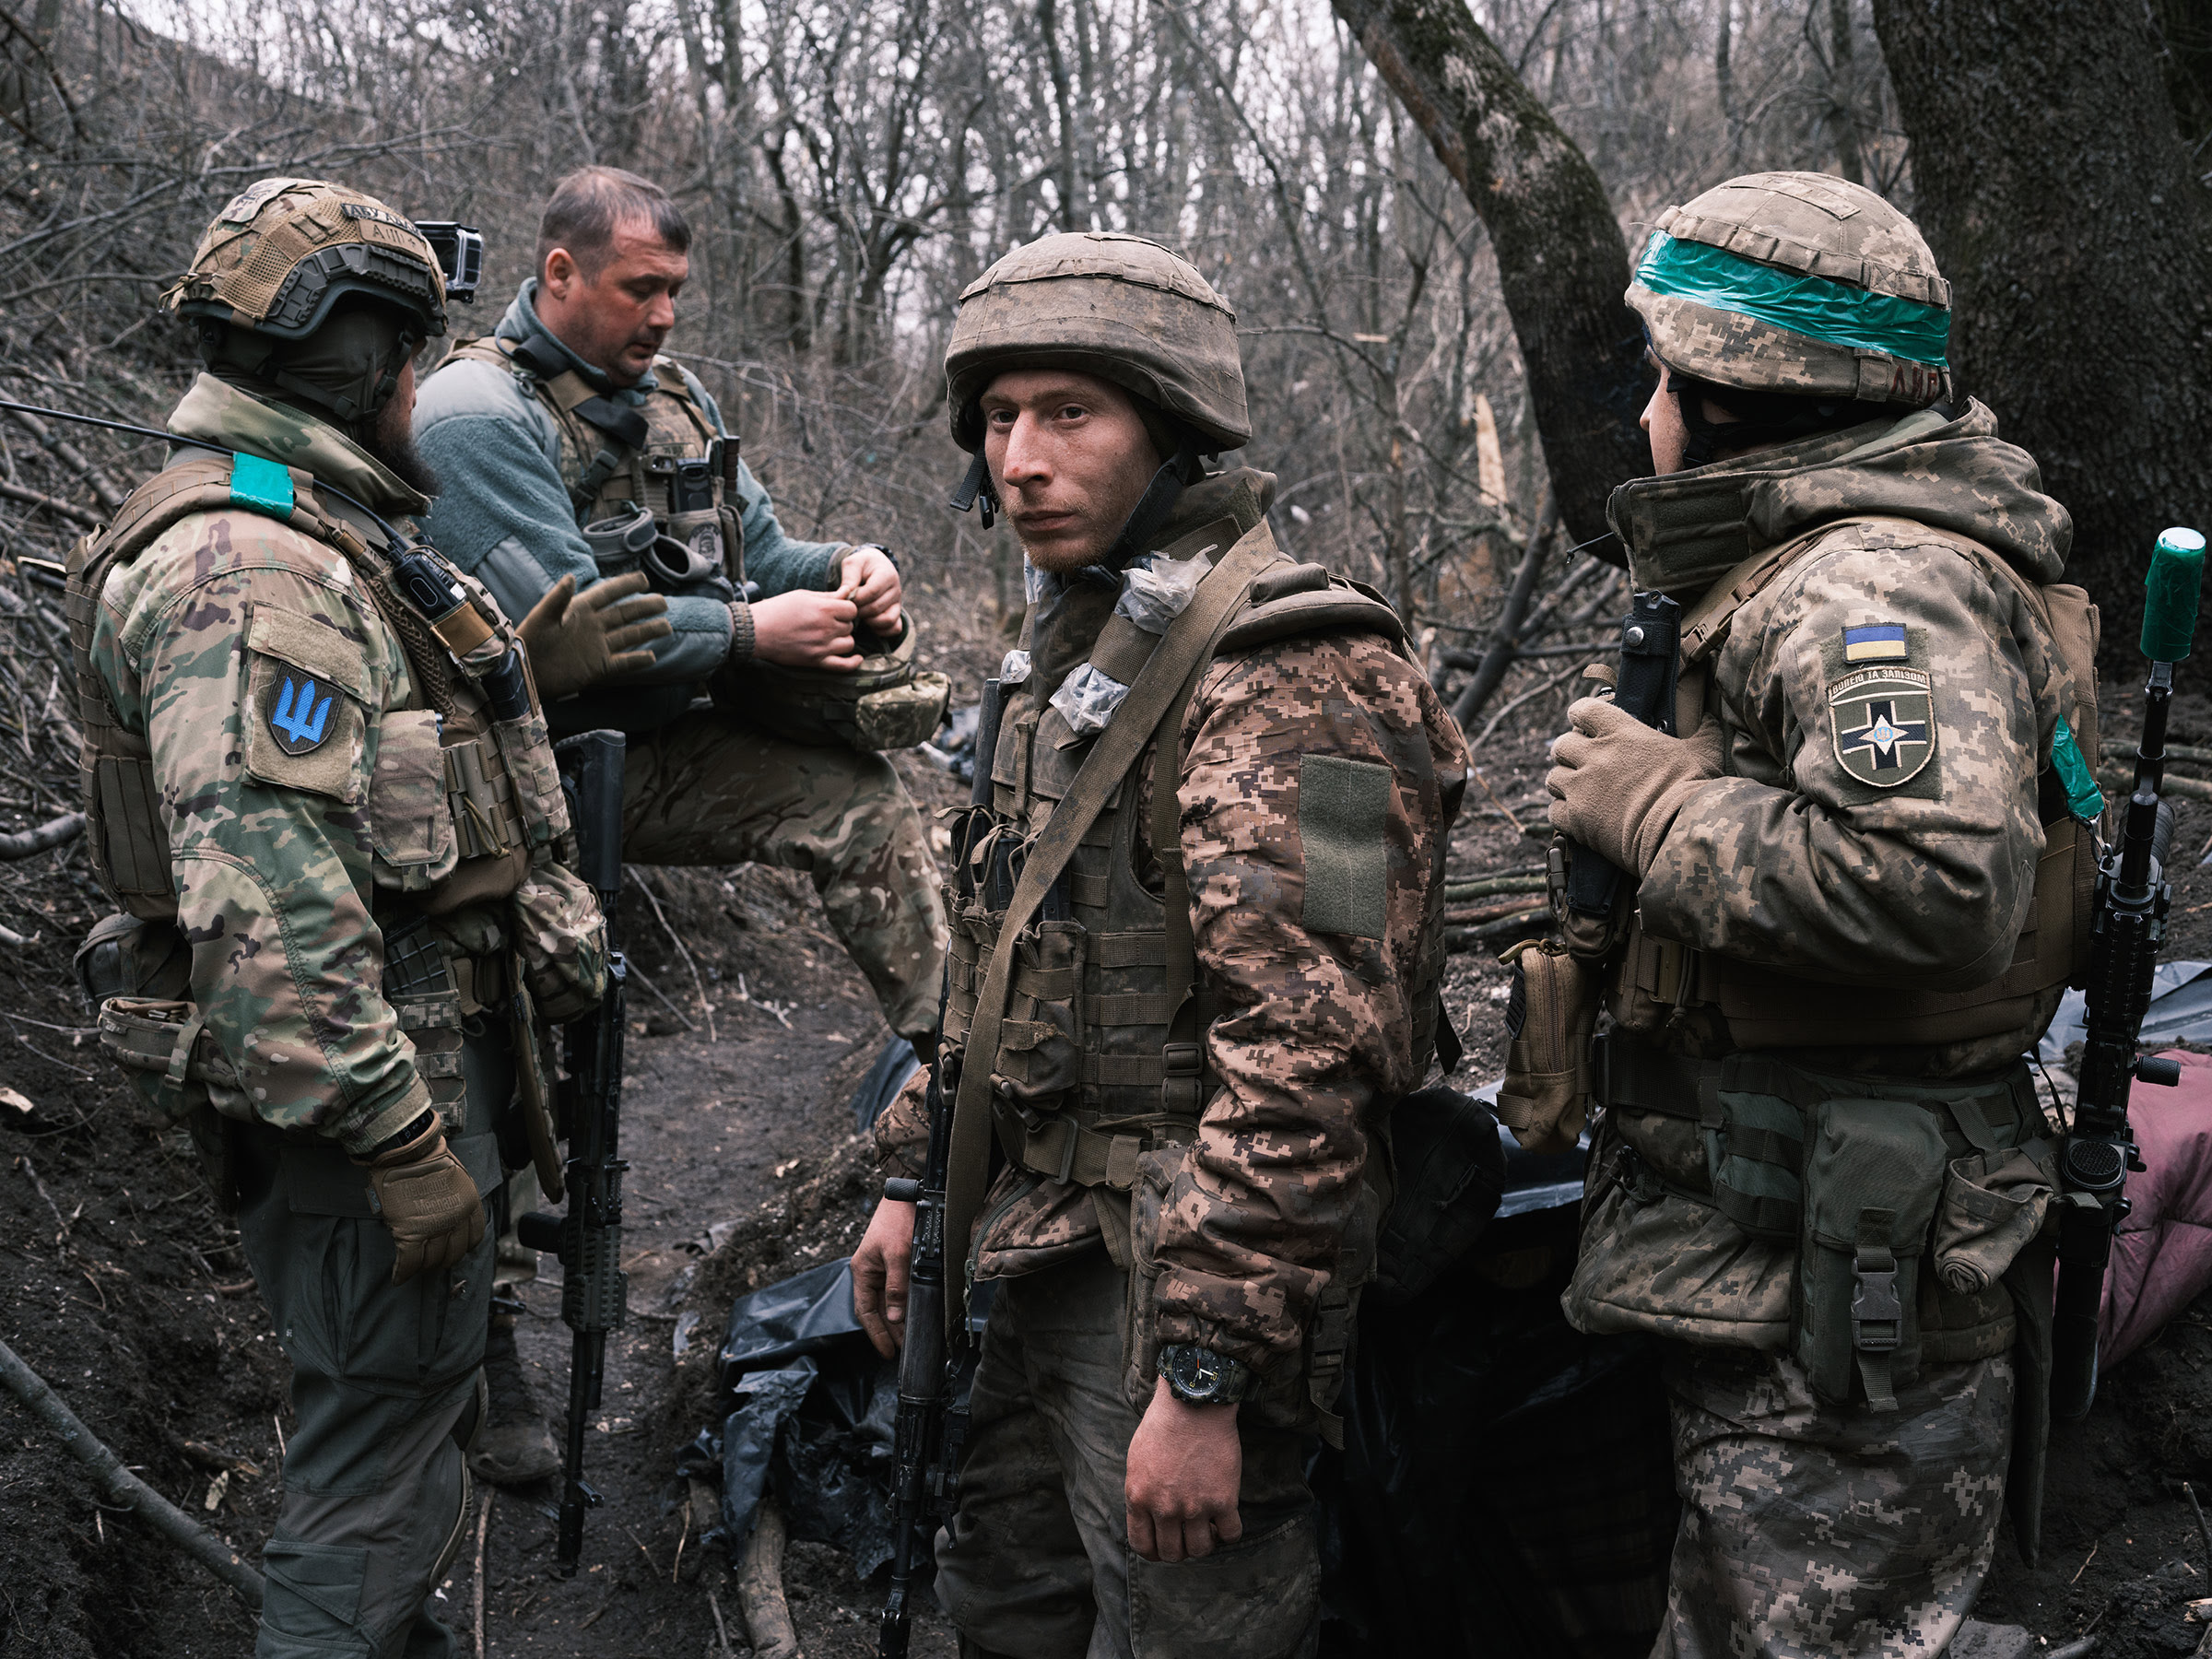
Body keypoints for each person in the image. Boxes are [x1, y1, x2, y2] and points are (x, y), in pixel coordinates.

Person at [848, 231, 1468, 1659]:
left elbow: (1313, 1057)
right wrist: (908, 1173)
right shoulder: (1074, 653)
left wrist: (1204, 1377)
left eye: (1071, 414)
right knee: (1003, 1603)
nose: (1021, 459)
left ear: (1172, 429)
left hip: (1186, 1291)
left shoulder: (1295, 672)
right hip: (1046, 1245)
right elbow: (1008, 964)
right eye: (999, 419)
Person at [1537, 171, 2095, 1656]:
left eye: (1668, 373)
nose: (1646, 408)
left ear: (1739, 395)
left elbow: (1938, 888)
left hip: (1842, 1282)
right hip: (1766, 1237)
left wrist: (1655, 813)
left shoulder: (1874, 585)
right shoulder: (1795, 558)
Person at [69, 180, 608, 1658]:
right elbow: (274, 919)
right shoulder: (258, 574)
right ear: (351, 363)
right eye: (410, 358)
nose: (423, 391)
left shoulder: (295, 532)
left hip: (407, 1076)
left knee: (385, 1435)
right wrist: (402, 1145)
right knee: (367, 1476)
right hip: (382, 1105)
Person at [409, 166, 948, 1482]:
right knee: (501, 1048)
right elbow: (575, 636)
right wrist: (750, 633)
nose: (662, 316)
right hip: (500, 785)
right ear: (557, 274)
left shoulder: (674, 404)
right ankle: (478, 1345)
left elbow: (761, 559)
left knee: (856, 804)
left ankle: (963, 1071)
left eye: (675, 293)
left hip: (646, 754)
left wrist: (850, 573)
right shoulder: (475, 417)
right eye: (638, 288)